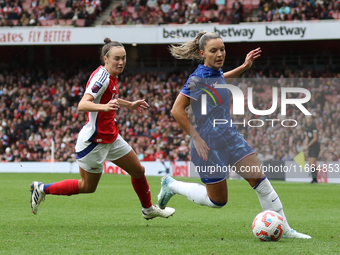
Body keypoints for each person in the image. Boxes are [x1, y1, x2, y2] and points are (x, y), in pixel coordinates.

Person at [157, 31, 311, 239]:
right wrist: (196, 137)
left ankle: (284, 230)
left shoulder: (215, 72)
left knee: (259, 180)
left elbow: (221, 79)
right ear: (202, 53)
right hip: (208, 144)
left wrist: (244, 67)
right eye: (214, 51)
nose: (220, 54)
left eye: (222, 49)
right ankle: (172, 185)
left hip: (230, 136)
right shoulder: (198, 77)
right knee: (217, 201)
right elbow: (177, 109)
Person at [30, 38, 175, 220]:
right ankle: (42, 188)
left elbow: (109, 98)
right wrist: (104, 108)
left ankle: (148, 209)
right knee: (87, 187)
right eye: (116, 58)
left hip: (111, 137)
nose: (121, 62)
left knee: (138, 170)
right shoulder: (102, 78)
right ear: (106, 59)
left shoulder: (111, 76)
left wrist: (129, 104)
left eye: (123, 58)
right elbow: (83, 104)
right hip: (94, 142)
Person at [304, 115, 320, 184]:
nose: (308, 120)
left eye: (310, 118)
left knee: (313, 163)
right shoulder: (307, 127)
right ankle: (313, 179)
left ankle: (315, 179)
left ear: (312, 119)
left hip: (315, 147)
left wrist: (308, 145)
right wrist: (305, 144)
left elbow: (315, 138)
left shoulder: (314, 127)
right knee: (310, 163)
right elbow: (307, 137)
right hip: (310, 146)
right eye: (307, 118)